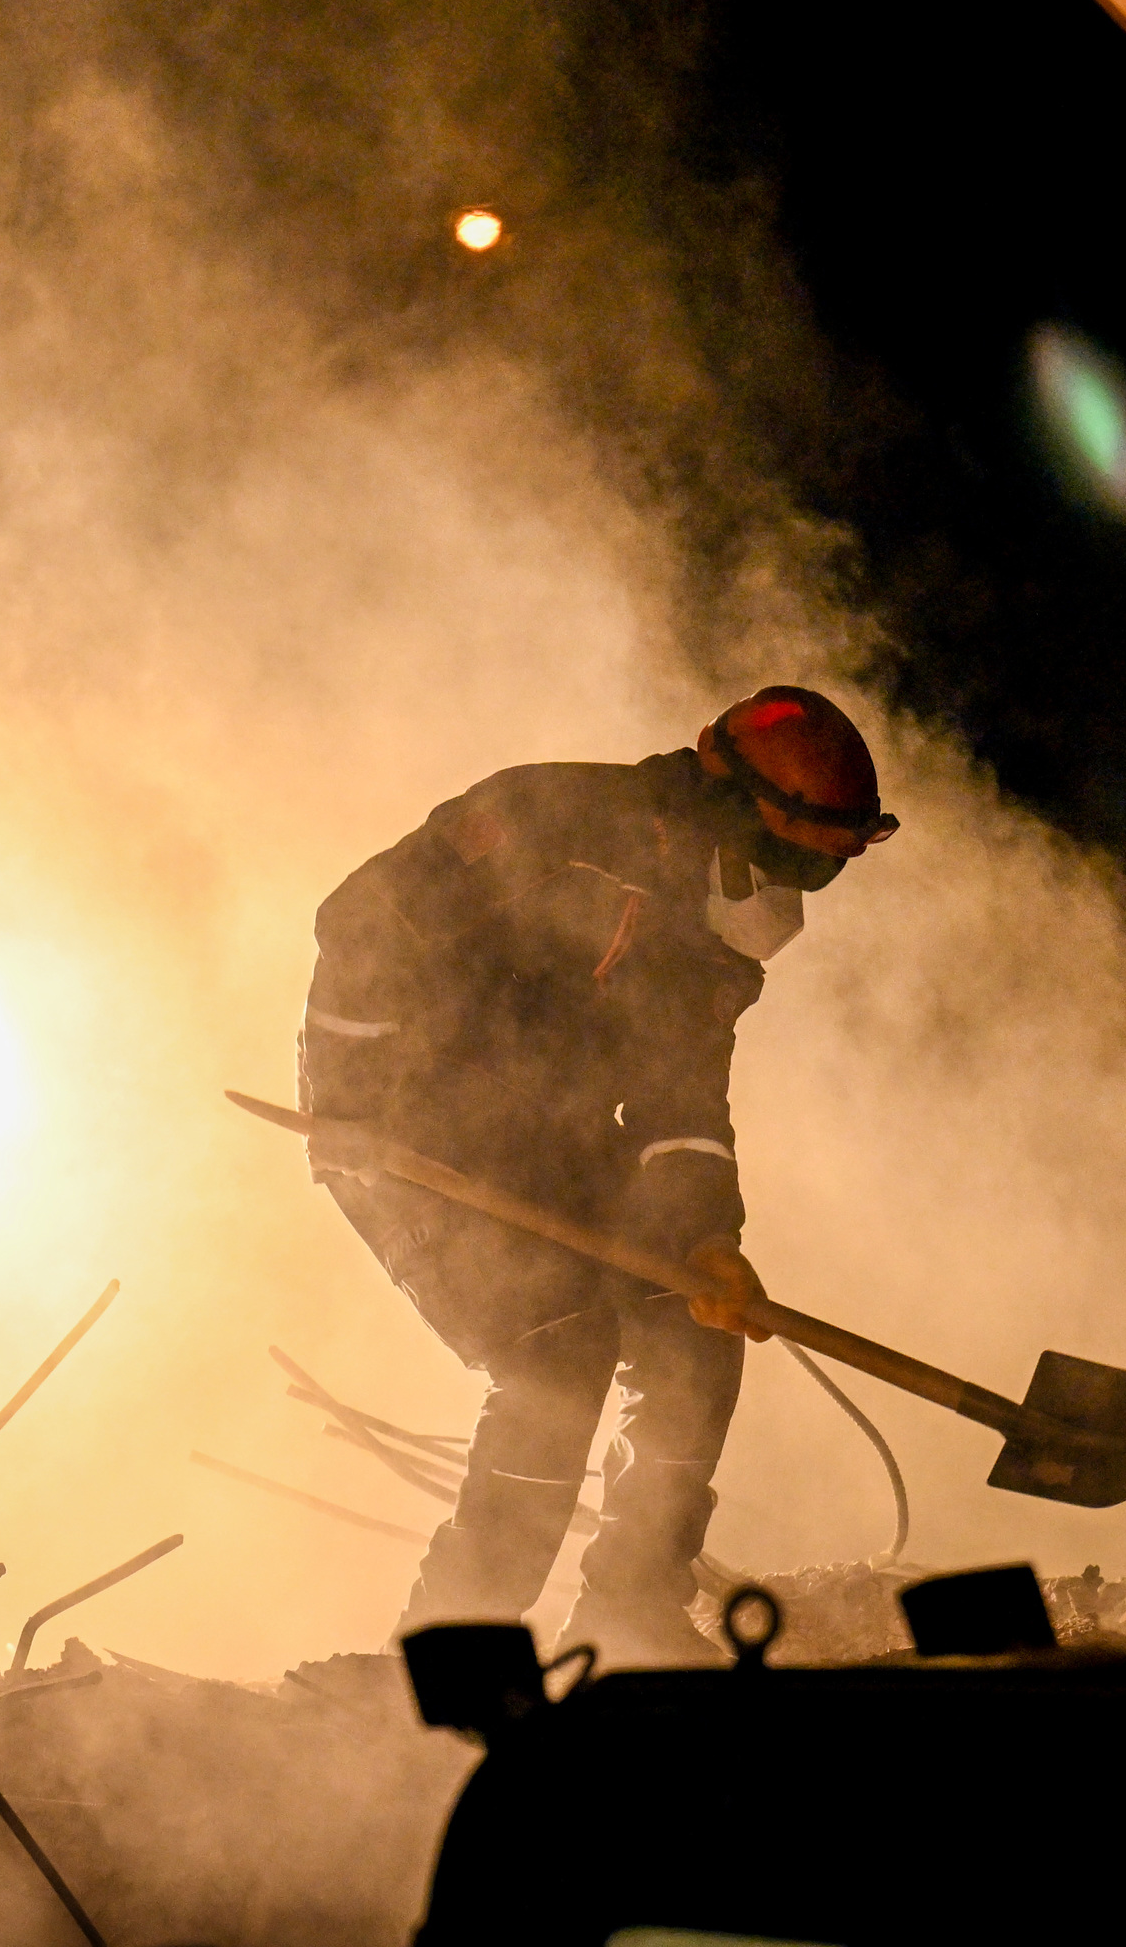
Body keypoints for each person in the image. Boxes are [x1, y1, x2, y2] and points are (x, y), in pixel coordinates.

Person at [298, 686, 897, 1664]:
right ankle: (449, 1658)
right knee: (555, 1353)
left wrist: (706, 1239)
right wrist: (362, 1093)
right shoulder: (556, 816)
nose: (813, 880)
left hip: (547, 1130)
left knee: (692, 1332)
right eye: (814, 847)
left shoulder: (718, 915)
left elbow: (683, 1095)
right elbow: (358, 919)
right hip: (399, 1122)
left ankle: (629, 1614)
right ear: (740, 793)